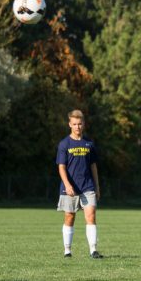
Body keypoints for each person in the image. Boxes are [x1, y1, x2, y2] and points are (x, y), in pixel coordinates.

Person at [56, 109, 103, 259]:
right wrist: (67, 185)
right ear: (70, 124)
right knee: (69, 217)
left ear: (84, 124)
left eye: (80, 124)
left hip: (87, 186)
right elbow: (61, 167)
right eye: (74, 124)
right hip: (69, 188)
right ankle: (67, 251)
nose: (77, 127)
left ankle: (93, 250)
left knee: (91, 215)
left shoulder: (89, 143)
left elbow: (93, 166)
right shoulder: (64, 144)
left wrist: (97, 186)